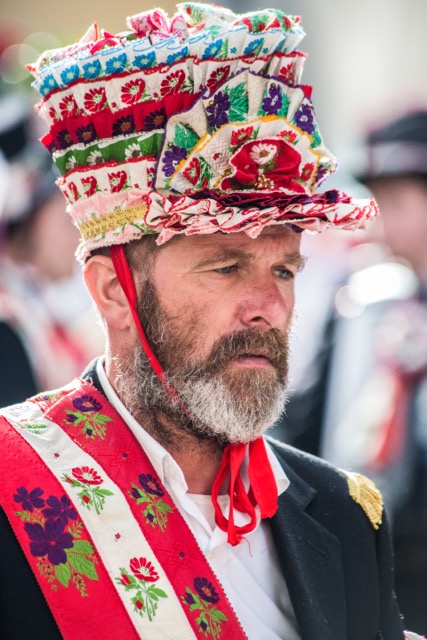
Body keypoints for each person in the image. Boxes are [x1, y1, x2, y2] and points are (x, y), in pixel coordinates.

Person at [0, 4, 421, 639]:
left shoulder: (342, 513)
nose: (268, 305)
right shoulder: (14, 486)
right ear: (114, 291)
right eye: (225, 267)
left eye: (285, 270)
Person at [288, 109, 427, 634]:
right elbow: (306, 421)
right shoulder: (363, 301)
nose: (381, 221)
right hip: (377, 546)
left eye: (398, 202)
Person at [0, 92, 102, 406]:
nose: (80, 238)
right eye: (69, 219)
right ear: (34, 219)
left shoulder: (34, 309)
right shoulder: (7, 327)